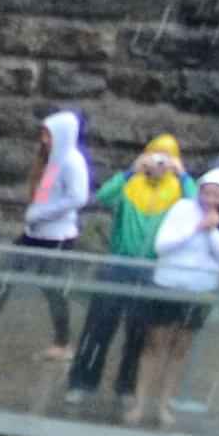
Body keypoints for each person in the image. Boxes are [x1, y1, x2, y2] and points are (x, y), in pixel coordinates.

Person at [0, 107, 94, 357]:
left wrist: (42, 213)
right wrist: (36, 212)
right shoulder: (53, 160)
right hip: (35, 233)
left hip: (57, 237)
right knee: (5, 280)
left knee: (53, 289)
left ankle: (62, 342)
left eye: (48, 135)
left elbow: (78, 197)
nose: (43, 139)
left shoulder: (72, 161)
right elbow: (46, 193)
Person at [67, 132, 192, 401]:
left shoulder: (178, 191)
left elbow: (197, 208)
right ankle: (82, 382)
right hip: (117, 265)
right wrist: (129, 172)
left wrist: (182, 175)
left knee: (139, 333)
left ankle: (126, 386)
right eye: (155, 155)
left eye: (166, 157)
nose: (160, 162)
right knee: (98, 327)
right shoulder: (131, 184)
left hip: (152, 271)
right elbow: (103, 196)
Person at [134, 158, 219, 418]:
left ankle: (164, 404)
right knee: (154, 344)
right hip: (167, 284)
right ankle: (140, 403)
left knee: (179, 349)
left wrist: (212, 230)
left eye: (216, 195)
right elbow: (162, 245)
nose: (208, 199)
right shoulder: (182, 209)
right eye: (206, 192)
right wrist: (196, 228)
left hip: (199, 290)